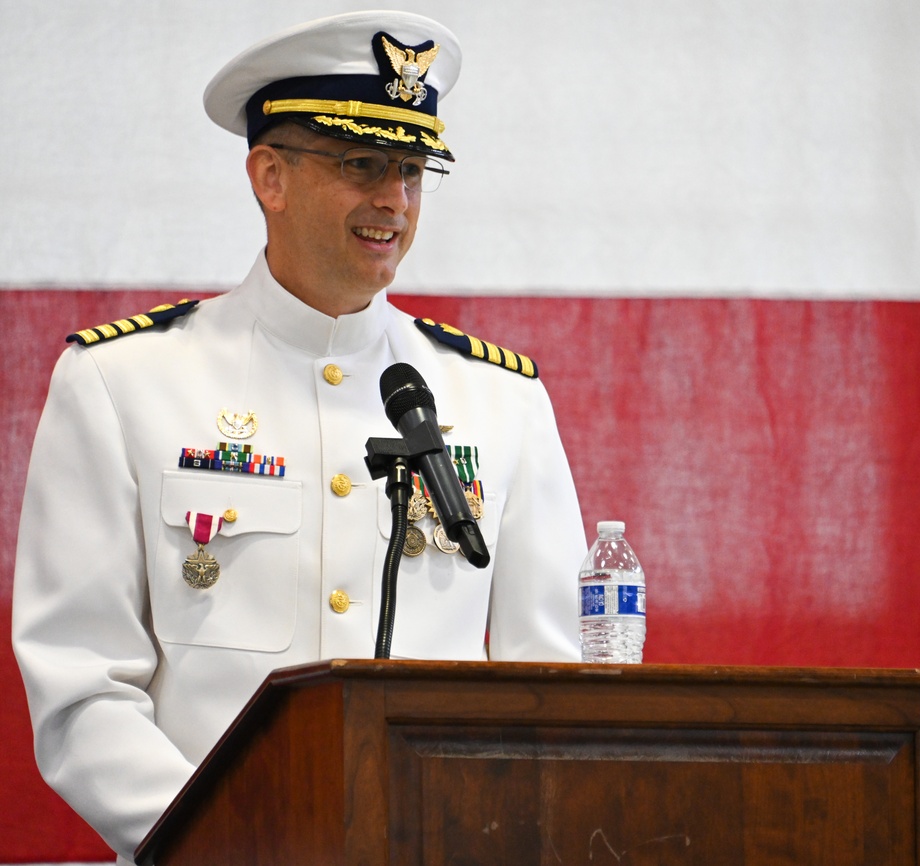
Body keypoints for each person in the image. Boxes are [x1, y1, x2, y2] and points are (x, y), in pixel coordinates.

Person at [12, 11, 585, 864]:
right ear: (268, 176)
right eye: (362, 164)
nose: (393, 198)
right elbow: (81, 686)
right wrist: (231, 843)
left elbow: (551, 689)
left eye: (412, 170)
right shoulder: (122, 385)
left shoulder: (501, 400)